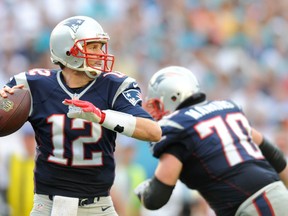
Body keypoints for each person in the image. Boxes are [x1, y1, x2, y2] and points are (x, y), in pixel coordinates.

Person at [0, 15, 161, 216]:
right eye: (92, 47)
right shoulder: (33, 85)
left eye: (100, 46)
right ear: (68, 50)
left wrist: (102, 117)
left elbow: (154, 132)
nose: (99, 53)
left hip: (98, 206)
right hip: (47, 206)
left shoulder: (114, 86)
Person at [134, 66, 288, 216]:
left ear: (173, 97)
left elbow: (156, 198)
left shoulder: (176, 127)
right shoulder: (225, 109)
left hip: (256, 204)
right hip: (270, 197)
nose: (154, 112)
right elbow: (275, 156)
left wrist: (143, 191)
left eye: (157, 105)